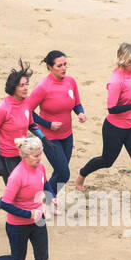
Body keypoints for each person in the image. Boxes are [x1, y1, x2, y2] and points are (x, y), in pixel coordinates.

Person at [75, 43, 131, 214]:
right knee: (107, 160)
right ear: (124, 61)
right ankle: (82, 173)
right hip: (114, 128)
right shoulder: (116, 81)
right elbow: (112, 108)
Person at [27, 50, 85, 204]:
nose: (64, 68)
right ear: (49, 67)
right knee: (64, 174)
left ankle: (46, 201)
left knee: (59, 172)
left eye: (65, 64)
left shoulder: (70, 82)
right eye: (59, 65)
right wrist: (48, 124)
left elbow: (76, 103)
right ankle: (43, 201)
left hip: (67, 135)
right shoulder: (43, 87)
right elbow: (27, 112)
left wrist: (80, 113)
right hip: (48, 137)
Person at [0, 60, 40, 183]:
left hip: (25, 153)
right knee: (16, 192)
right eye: (22, 85)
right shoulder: (2, 109)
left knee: (26, 187)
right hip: (8, 158)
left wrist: (44, 139)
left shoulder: (27, 102)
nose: (26, 88)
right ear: (13, 87)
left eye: (26, 84)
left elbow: (31, 125)